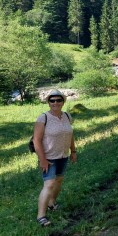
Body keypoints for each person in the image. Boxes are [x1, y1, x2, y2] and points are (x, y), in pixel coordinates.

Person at [33, 89, 77, 227]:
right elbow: (36, 140)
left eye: (58, 100)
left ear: (63, 102)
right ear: (48, 102)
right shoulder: (43, 118)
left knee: (59, 180)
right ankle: (41, 216)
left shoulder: (67, 116)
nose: (55, 103)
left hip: (63, 155)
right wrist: (43, 160)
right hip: (49, 157)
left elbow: (69, 134)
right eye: (52, 100)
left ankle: (52, 203)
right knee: (49, 184)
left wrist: (73, 151)